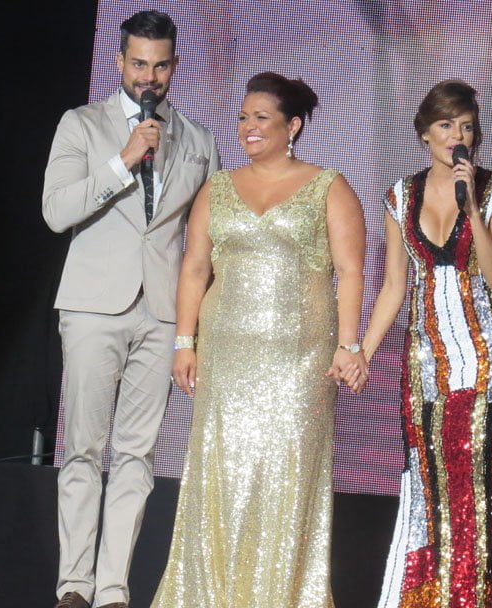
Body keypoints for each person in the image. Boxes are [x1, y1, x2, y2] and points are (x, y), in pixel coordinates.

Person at [150, 72, 367, 608]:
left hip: (301, 360)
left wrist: (348, 345)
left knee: (285, 475)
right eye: (243, 117)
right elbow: (194, 268)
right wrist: (184, 342)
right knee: (221, 472)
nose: (248, 126)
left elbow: (350, 271)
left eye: (261, 117)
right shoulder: (217, 187)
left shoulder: (328, 186)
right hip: (225, 355)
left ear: (292, 126)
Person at [42, 10, 219, 608]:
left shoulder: (198, 141)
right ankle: (74, 585)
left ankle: (114, 589)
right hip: (93, 305)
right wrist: (123, 160)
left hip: (162, 311)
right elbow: (56, 212)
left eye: (160, 66)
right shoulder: (81, 124)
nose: (149, 77)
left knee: (137, 455)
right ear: (119, 61)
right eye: (139, 64)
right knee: (84, 448)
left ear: (174, 66)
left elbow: (206, 241)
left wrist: (194, 329)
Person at [362, 80, 492, 608]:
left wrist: (471, 207)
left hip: (483, 354)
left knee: (468, 478)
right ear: (425, 133)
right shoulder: (399, 196)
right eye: (446, 125)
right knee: (428, 483)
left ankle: (468, 597)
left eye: (466, 127)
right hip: (426, 356)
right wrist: (362, 352)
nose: (457, 136)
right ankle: (426, 596)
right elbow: (393, 286)